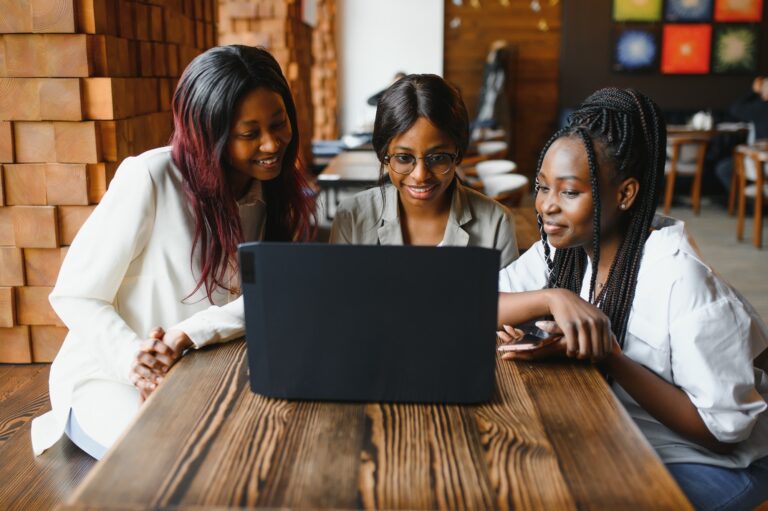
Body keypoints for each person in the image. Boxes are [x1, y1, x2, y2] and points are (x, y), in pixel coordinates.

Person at [31, 45, 315, 459]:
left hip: (197, 370)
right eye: (249, 133)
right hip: (109, 379)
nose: (272, 144)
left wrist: (186, 335)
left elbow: (266, 294)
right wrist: (136, 360)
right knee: (179, 455)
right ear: (211, 133)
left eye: (279, 123)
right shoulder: (150, 177)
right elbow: (75, 294)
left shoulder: (268, 189)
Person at [495, 88, 768, 510]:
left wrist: (610, 357)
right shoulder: (563, 252)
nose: (546, 206)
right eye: (542, 187)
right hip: (623, 437)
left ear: (624, 194)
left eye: (568, 193)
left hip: (713, 462)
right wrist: (551, 298)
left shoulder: (681, 280)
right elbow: (479, 303)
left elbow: (722, 432)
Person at [330, 74, 518, 268]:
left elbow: (505, 298)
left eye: (437, 158)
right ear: (383, 155)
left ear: (458, 153)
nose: (420, 176)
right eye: (404, 158)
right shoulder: (351, 217)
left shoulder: (496, 222)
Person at [715, 76, 768, 191]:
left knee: (723, 169)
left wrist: (753, 92)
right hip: (759, 160)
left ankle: (748, 204)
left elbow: (735, 108)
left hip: (760, 162)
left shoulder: (761, 108)